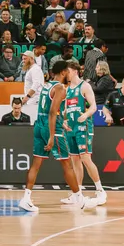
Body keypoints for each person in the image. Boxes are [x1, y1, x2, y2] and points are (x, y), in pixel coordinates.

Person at [20, 59, 81, 213]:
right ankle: (79, 198)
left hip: (39, 125)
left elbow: (52, 110)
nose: (69, 74)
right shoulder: (60, 88)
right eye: (68, 71)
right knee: (67, 164)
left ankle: (26, 198)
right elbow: (53, 112)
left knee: (36, 163)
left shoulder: (47, 85)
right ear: (63, 72)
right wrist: (52, 135)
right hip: (51, 128)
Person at [62, 60, 104, 207]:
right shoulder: (67, 90)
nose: (65, 73)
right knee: (75, 161)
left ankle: (100, 190)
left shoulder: (84, 86)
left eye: (67, 70)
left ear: (74, 71)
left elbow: (93, 106)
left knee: (86, 158)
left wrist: (85, 115)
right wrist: (64, 120)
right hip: (71, 128)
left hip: (83, 127)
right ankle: (77, 193)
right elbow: (66, 111)